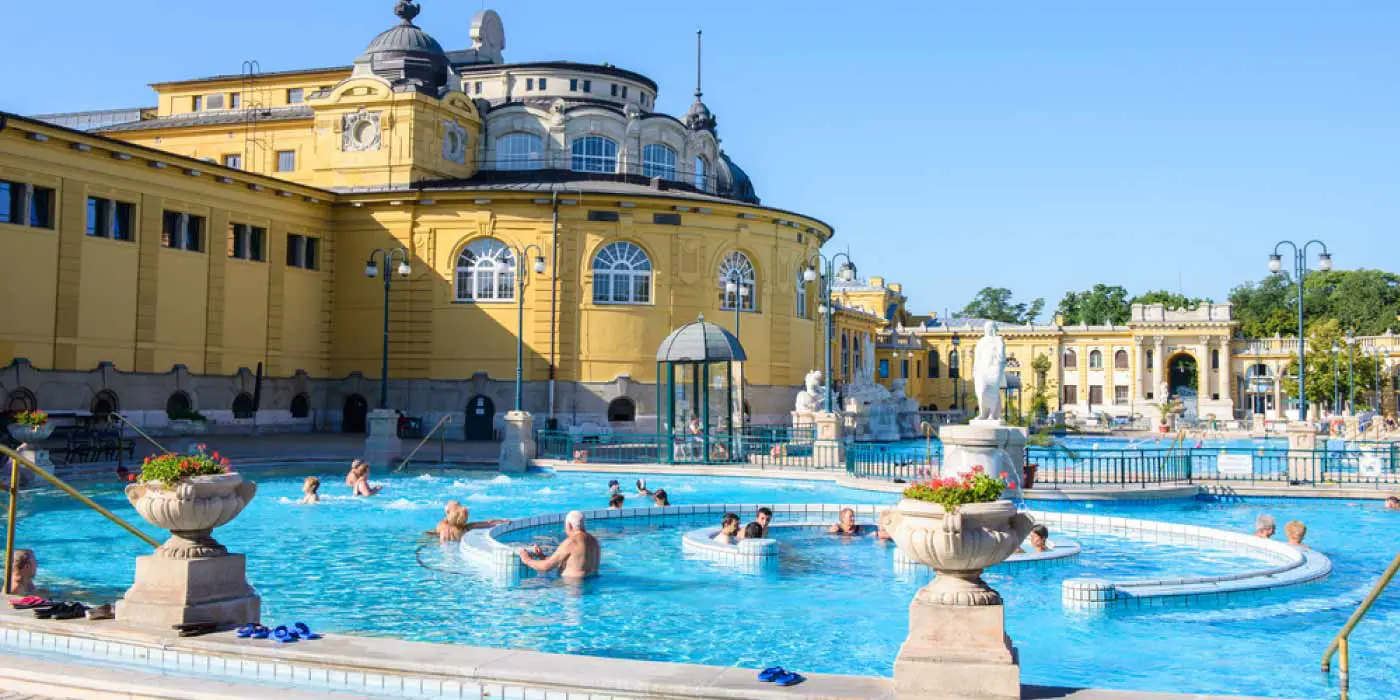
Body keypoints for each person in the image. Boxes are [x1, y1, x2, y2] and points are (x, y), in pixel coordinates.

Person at [518, 510, 600, 580]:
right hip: (590, 584)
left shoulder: (571, 542)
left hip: (573, 588)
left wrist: (527, 559)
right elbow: (575, 563)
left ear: (569, 525)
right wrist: (542, 556)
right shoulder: (594, 541)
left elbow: (545, 567)